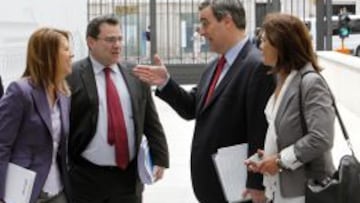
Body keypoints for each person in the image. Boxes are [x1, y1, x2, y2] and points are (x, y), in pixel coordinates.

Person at [133, 0, 275, 202]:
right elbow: (193, 107)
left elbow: (259, 131)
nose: (200, 31)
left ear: (227, 21)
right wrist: (166, 82)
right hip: (213, 186)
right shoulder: (214, 67)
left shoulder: (257, 67)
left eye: (205, 23)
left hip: (240, 191)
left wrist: (256, 184)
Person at [66, 15, 169, 203]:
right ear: (91, 42)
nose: (117, 45)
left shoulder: (135, 74)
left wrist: (160, 157)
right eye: (110, 39)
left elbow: (150, 119)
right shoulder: (72, 76)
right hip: (86, 178)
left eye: (120, 39)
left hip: (128, 179)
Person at [245, 13, 335, 203]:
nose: (260, 47)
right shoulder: (282, 80)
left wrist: (278, 160)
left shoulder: (311, 82)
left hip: (306, 192)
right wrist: (268, 157)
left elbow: (321, 137)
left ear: (281, 44)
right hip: (280, 190)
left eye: (264, 41)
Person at [0, 27, 74, 203]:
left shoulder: (64, 94)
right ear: (48, 55)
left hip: (59, 191)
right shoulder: (20, 92)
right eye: (65, 49)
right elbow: (1, 145)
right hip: (26, 194)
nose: (71, 54)